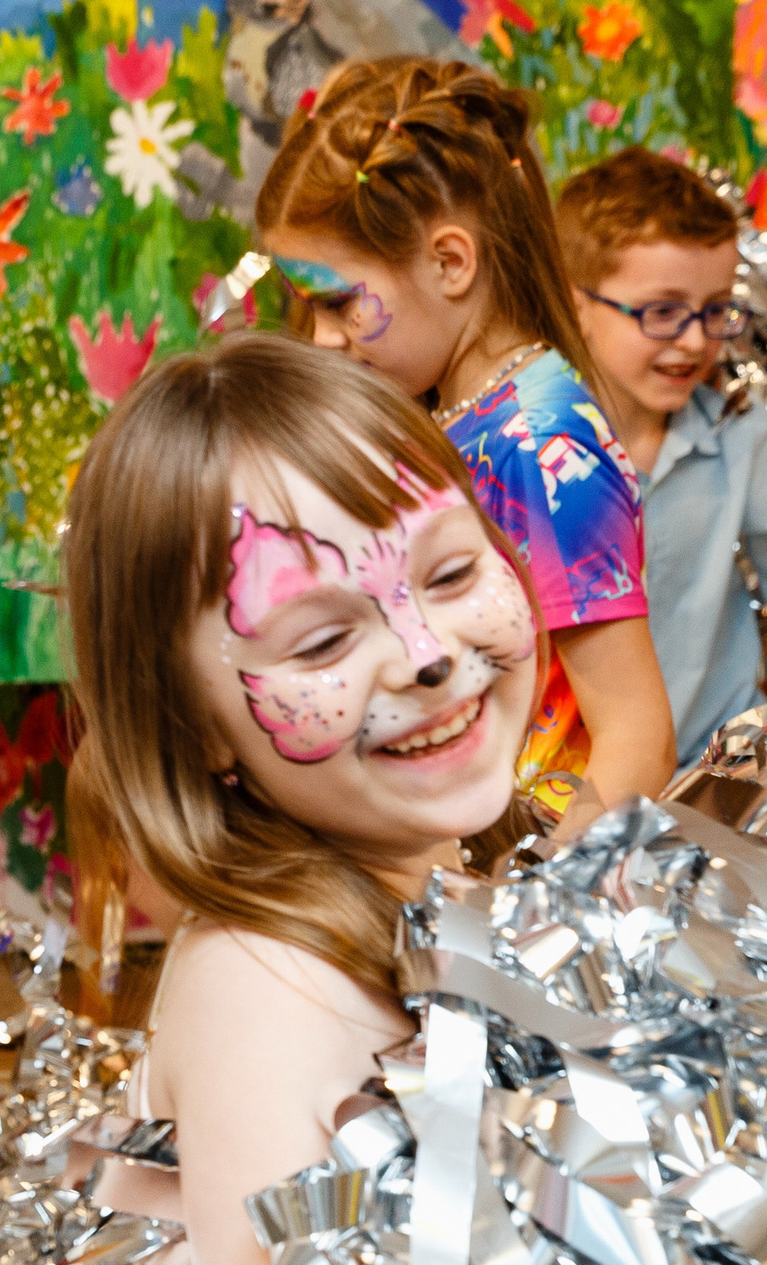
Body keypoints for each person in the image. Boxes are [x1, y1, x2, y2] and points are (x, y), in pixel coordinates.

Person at [61, 332, 564, 1265]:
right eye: (322, 642)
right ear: (200, 734)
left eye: (449, 573)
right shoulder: (263, 988)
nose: (429, 651)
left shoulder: (468, 871)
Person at [253, 57, 675, 830]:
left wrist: (530, 912)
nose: (318, 339)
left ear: (450, 262)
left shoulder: (543, 444)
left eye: (338, 302)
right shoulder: (454, 413)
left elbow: (637, 739)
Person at [557, 147, 767, 765]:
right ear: (576, 304)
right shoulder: (529, 458)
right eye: (662, 312)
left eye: (716, 311)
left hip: (712, 784)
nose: (693, 341)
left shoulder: (745, 439)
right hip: (571, 798)